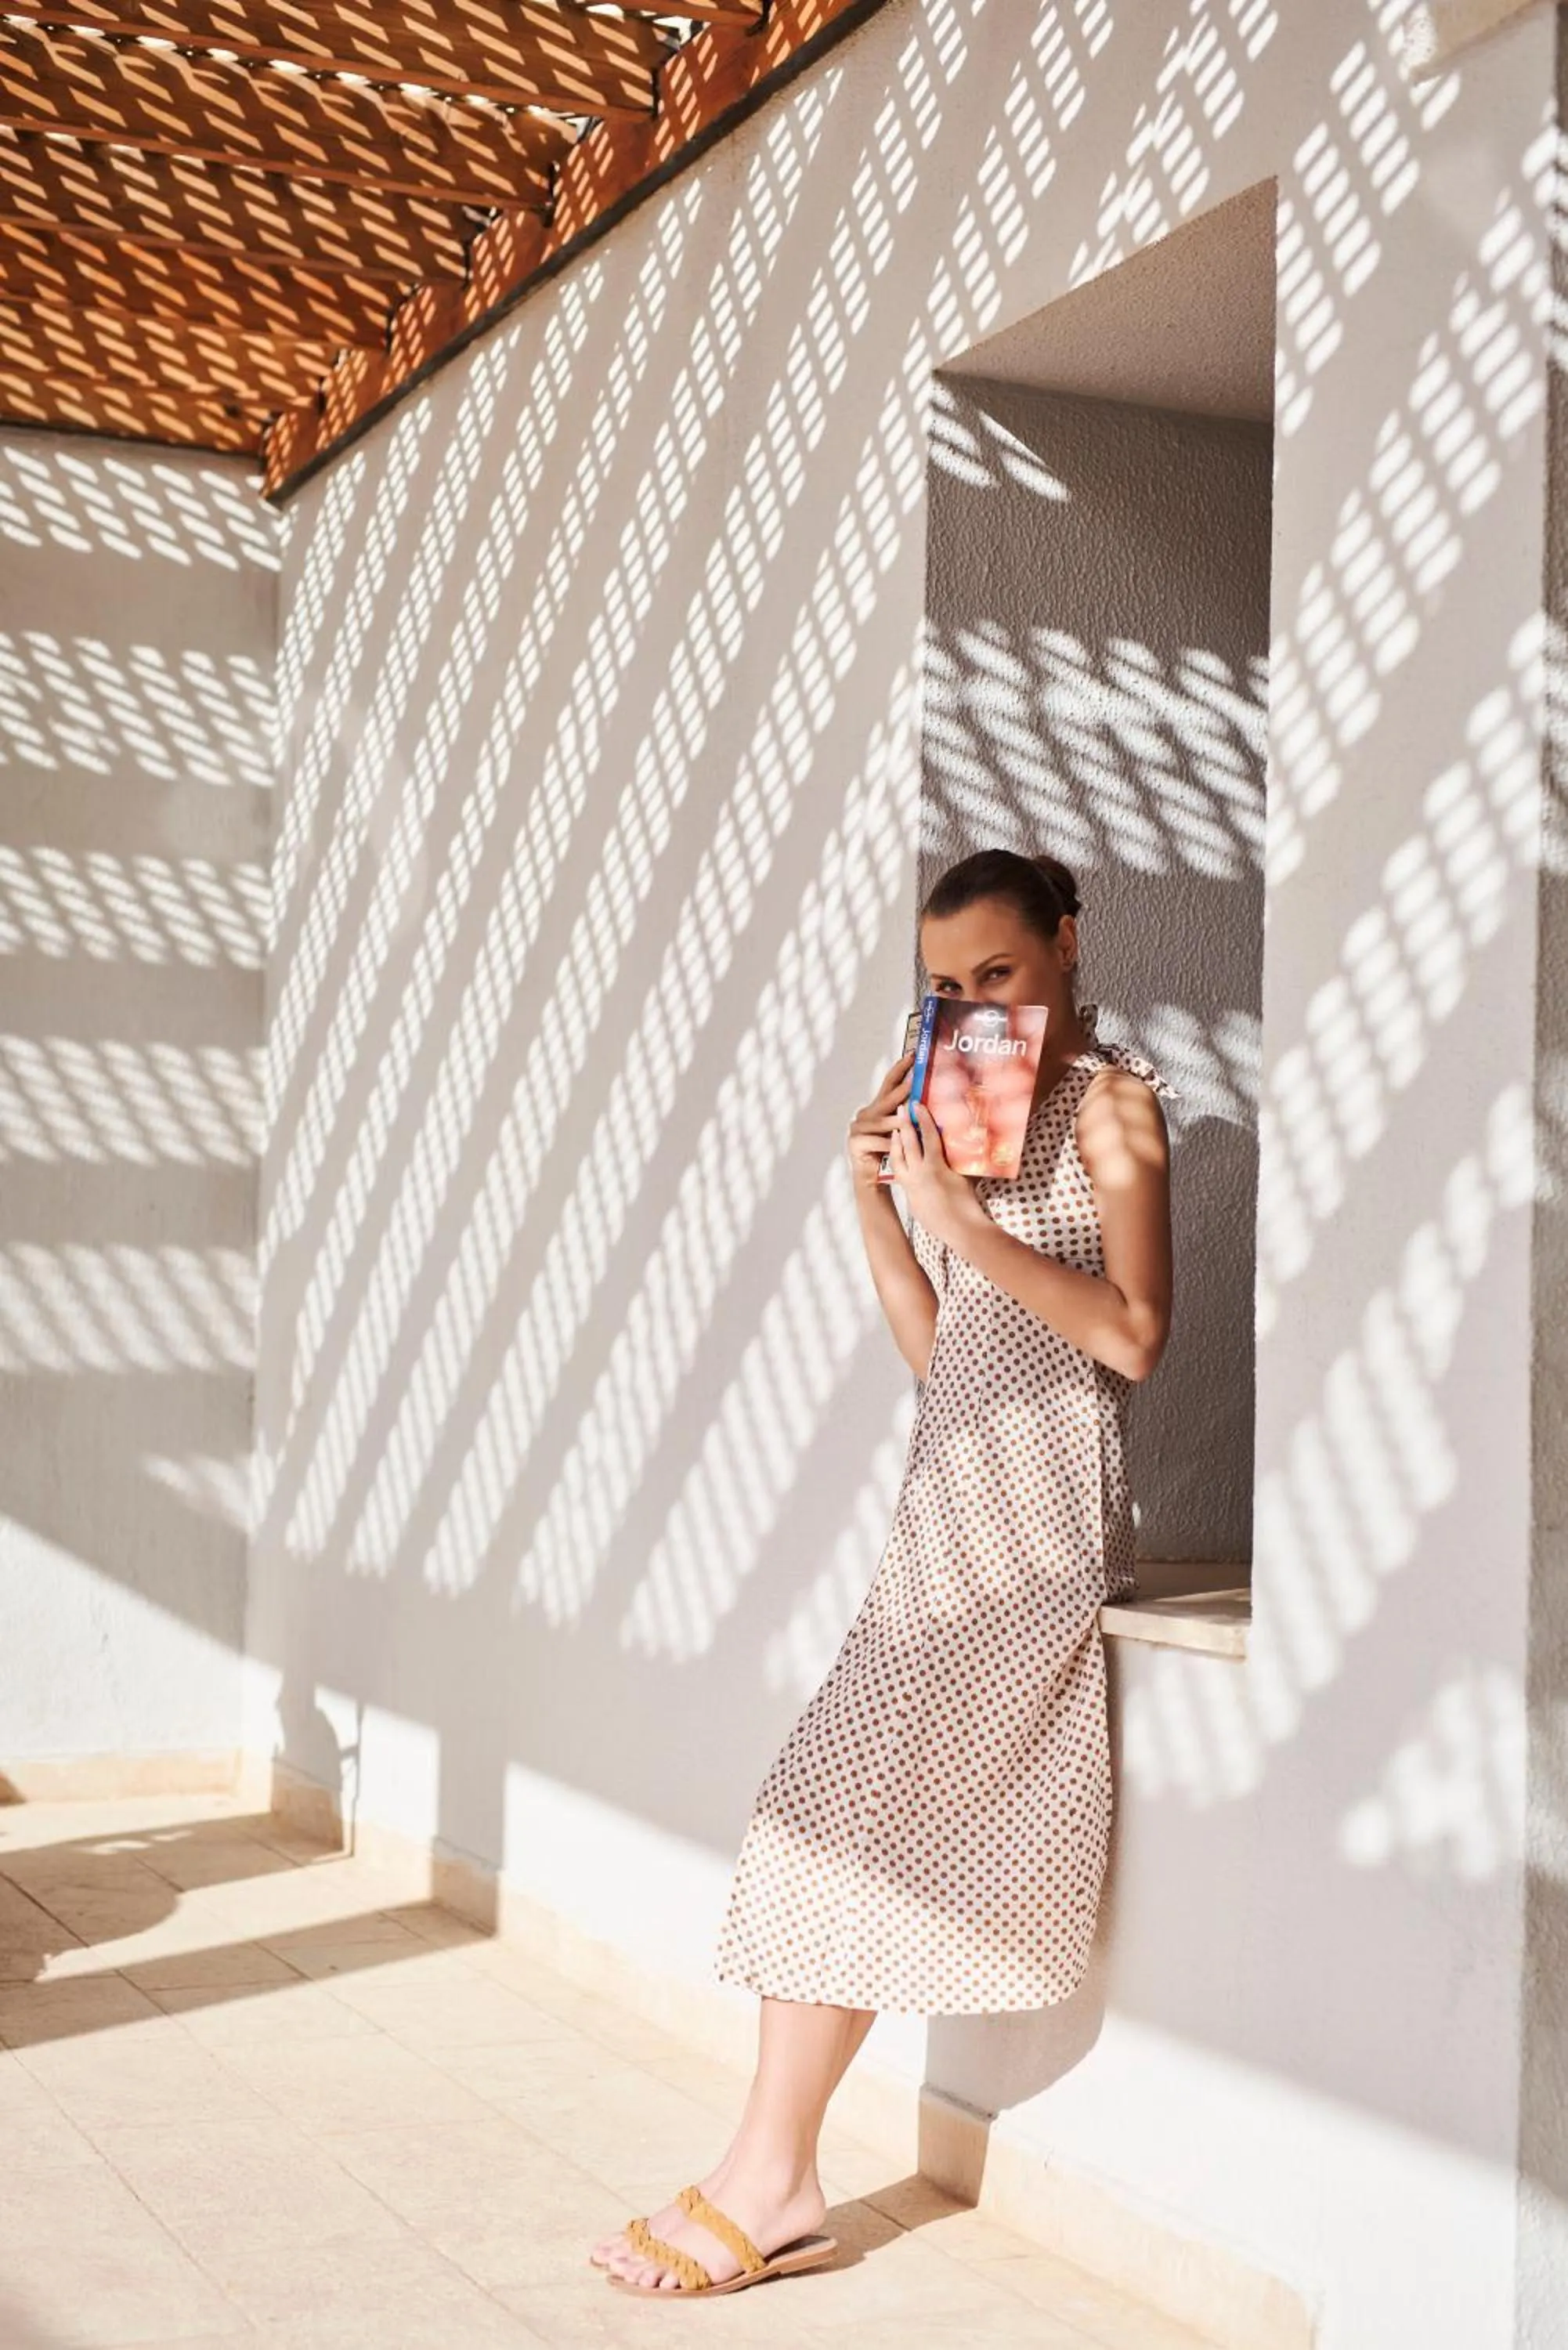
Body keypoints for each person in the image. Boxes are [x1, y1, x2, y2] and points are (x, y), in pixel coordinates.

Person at [589, 848, 1176, 2299]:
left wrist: (967, 1222)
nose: (973, 1005)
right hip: (942, 1513)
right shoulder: (955, 1113)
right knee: (817, 1812)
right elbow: (950, 1354)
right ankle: (761, 2170)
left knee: (825, 1808)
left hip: (1034, 1529)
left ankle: (772, 2178)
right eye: (944, 986)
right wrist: (875, 1207)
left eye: (999, 975)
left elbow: (1131, 1338)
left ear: (1065, 947)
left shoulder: (1113, 1108)